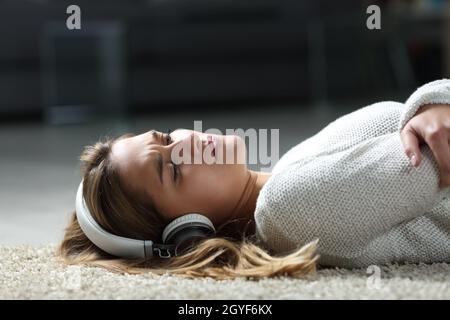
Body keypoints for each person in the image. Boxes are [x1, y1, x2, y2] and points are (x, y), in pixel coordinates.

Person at [59, 79, 450, 279]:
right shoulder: (287, 208)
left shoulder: (289, 168)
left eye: (165, 139)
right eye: (172, 170)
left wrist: (433, 104)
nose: (185, 146)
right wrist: (435, 103)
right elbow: (437, 156)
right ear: (187, 232)